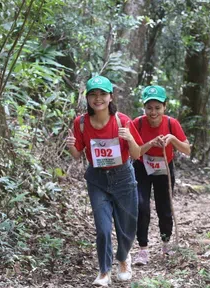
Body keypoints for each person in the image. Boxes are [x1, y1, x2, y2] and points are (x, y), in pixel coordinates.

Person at [65, 75, 143, 287]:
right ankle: (104, 270)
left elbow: (136, 154)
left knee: (127, 224)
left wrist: (130, 138)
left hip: (123, 177)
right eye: (93, 94)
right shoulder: (80, 122)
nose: (97, 98)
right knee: (103, 227)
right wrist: (70, 145)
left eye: (102, 94)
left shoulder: (123, 121)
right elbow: (77, 154)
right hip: (97, 178)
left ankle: (124, 258)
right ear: (87, 98)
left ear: (111, 97)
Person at [131, 85, 190, 266]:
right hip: (142, 166)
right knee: (141, 206)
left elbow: (187, 149)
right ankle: (142, 249)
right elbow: (134, 153)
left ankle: (166, 244)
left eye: (157, 108)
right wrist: (150, 143)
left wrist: (172, 139)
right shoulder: (138, 123)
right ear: (144, 108)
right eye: (149, 108)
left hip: (164, 167)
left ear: (164, 107)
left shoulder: (172, 124)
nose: (153, 112)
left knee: (164, 207)